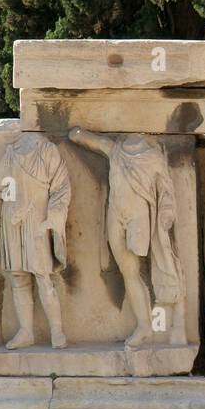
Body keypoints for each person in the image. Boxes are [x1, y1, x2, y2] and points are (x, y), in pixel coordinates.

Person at [68, 130, 186, 346]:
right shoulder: (117, 151)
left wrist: (166, 214)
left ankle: (163, 324)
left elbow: (166, 190)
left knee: (150, 265)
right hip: (116, 214)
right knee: (128, 271)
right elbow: (98, 141)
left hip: (138, 217)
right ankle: (144, 326)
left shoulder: (153, 157)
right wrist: (78, 134)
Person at [0, 133, 71, 349]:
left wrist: (52, 219)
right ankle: (26, 331)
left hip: (37, 219)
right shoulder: (11, 152)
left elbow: (61, 189)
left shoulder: (46, 150)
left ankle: (57, 330)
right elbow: (5, 188)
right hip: (13, 219)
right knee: (18, 278)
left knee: (43, 276)